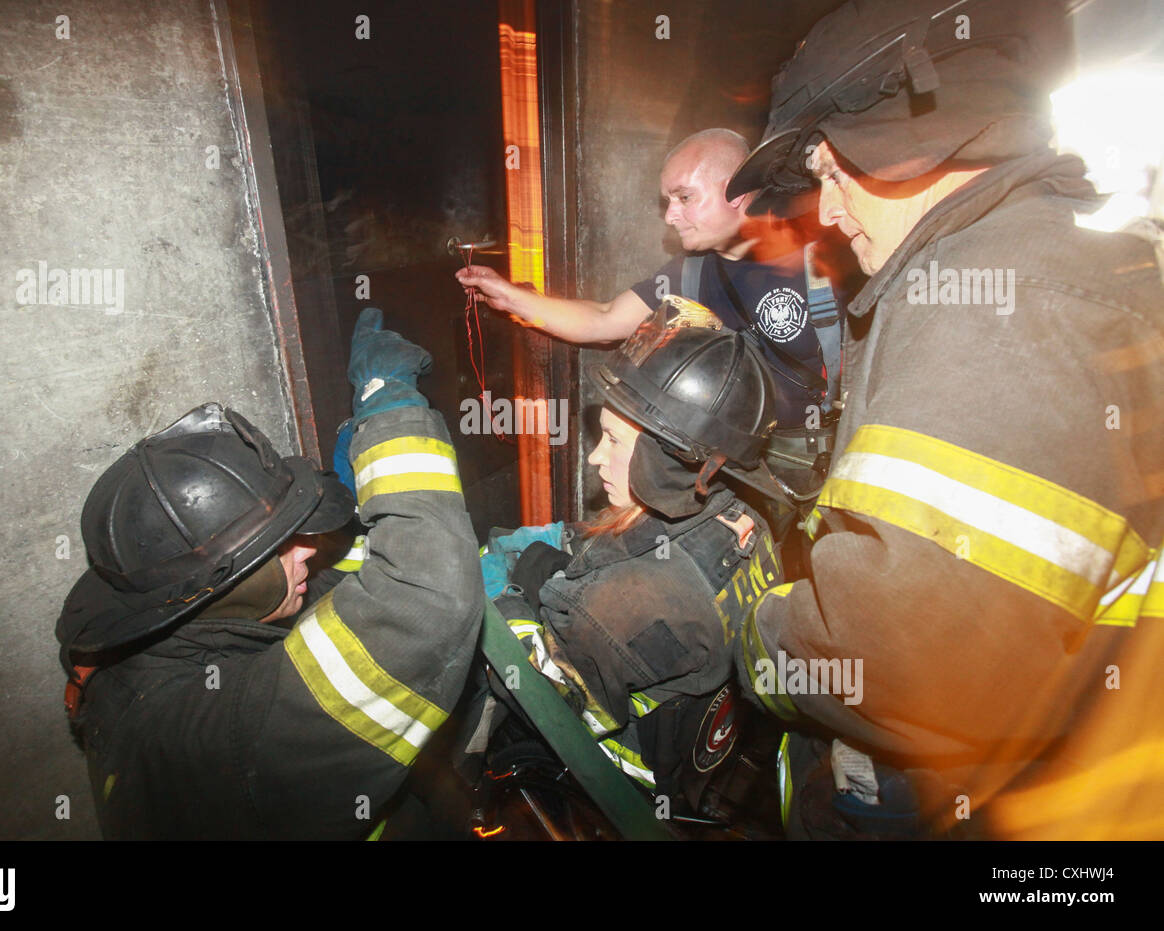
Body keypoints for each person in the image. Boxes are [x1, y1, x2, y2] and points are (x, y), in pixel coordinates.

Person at [722, 0, 1164, 839]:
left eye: (827, 172)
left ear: (895, 141)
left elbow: (904, 662)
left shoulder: (991, 305)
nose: (828, 213)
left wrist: (753, 629)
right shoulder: (1060, 258)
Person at [55, 308, 484, 840]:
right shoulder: (231, 737)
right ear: (213, 590)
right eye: (283, 545)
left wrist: (364, 513)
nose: (309, 550)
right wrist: (387, 401)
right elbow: (428, 599)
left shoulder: (154, 652)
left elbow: (323, 598)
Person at [473, 298, 789, 817]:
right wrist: (568, 544)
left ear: (669, 460)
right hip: (709, 753)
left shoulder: (620, 606)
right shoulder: (743, 512)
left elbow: (538, 700)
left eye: (614, 441)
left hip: (632, 780)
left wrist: (507, 598)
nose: (595, 456)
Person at [456, 128, 852, 432]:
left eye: (684, 198)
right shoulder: (690, 272)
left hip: (822, 458)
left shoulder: (826, 254)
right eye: (667, 202)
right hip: (747, 466)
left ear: (739, 191)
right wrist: (509, 298)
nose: (670, 216)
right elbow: (604, 319)